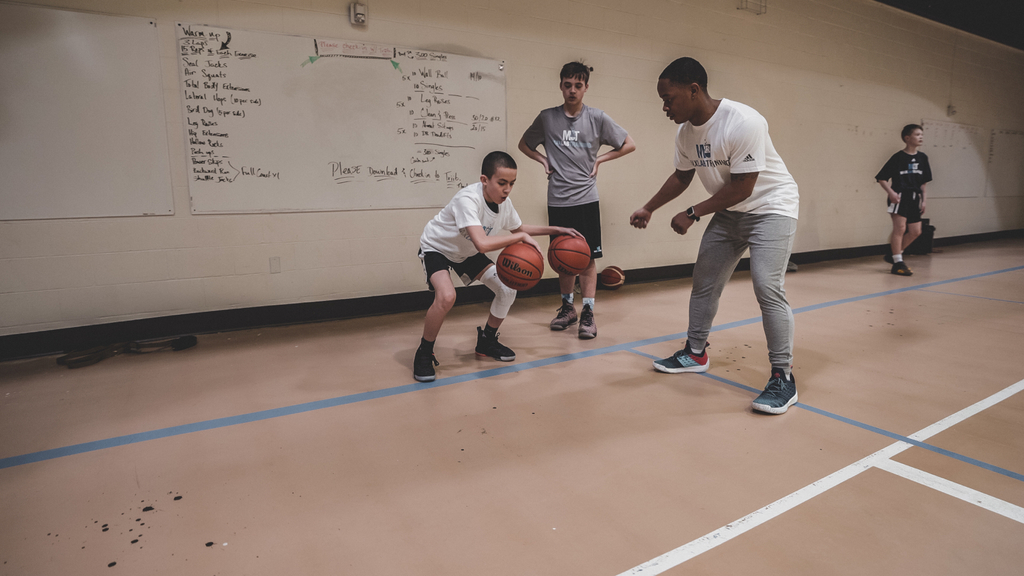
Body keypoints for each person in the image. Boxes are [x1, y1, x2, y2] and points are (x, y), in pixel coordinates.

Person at [629, 57, 800, 414]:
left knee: (767, 286)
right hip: (730, 211)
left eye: (669, 99)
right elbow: (682, 176)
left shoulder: (744, 122)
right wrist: (649, 207)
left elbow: (743, 187)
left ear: (694, 90)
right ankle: (695, 353)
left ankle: (783, 376)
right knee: (705, 280)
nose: (664, 107)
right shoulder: (685, 133)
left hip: (771, 207)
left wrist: (693, 213)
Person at [413, 151, 582, 382]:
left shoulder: (505, 204)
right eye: (502, 183)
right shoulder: (467, 200)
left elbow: (519, 228)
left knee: (507, 288)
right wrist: (518, 238)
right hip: (438, 247)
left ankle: (487, 341)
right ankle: (424, 351)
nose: (507, 189)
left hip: (467, 251)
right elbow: (483, 244)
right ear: (485, 180)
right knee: (446, 297)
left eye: (512, 183)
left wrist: (557, 230)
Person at [518, 61, 635, 339]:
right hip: (558, 198)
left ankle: (588, 313)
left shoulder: (597, 118)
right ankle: (567, 308)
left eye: (578, 86)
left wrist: (600, 160)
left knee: (587, 257)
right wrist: (542, 159)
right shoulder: (547, 118)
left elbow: (629, 144)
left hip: (586, 198)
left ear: (586, 88)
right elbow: (524, 144)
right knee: (563, 257)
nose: (572, 90)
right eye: (567, 85)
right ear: (561, 86)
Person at [875, 124, 931, 276]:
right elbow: (881, 178)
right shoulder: (898, 157)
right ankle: (897, 262)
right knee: (899, 228)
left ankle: (894, 254)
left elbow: (923, 183)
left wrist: (924, 200)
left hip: (914, 198)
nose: (921, 137)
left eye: (922, 134)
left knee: (916, 231)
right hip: (899, 197)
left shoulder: (923, 158)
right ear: (907, 138)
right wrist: (891, 193)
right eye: (917, 134)